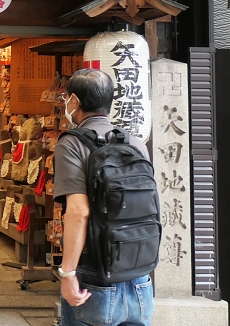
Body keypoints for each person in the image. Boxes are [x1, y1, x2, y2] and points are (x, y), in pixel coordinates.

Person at [54, 69, 154, 326]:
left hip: (93, 274)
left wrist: (68, 273)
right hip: (139, 276)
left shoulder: (72, 143)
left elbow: (79, 211)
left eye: (67, 99)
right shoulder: (135, 143)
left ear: (74, 101)